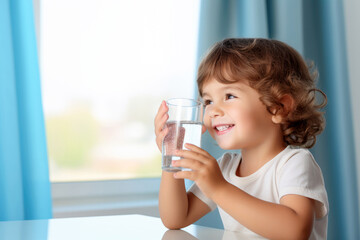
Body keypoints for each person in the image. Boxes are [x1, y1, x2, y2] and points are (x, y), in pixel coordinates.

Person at [154, 38, 329, 239]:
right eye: (208, 100)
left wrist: (219, 188)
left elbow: (295, 231)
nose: (213, 111)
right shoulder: (224, 169)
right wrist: (171, 159)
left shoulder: (294, 163)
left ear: (278, 108)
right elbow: (176, 219)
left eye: (229, 96)